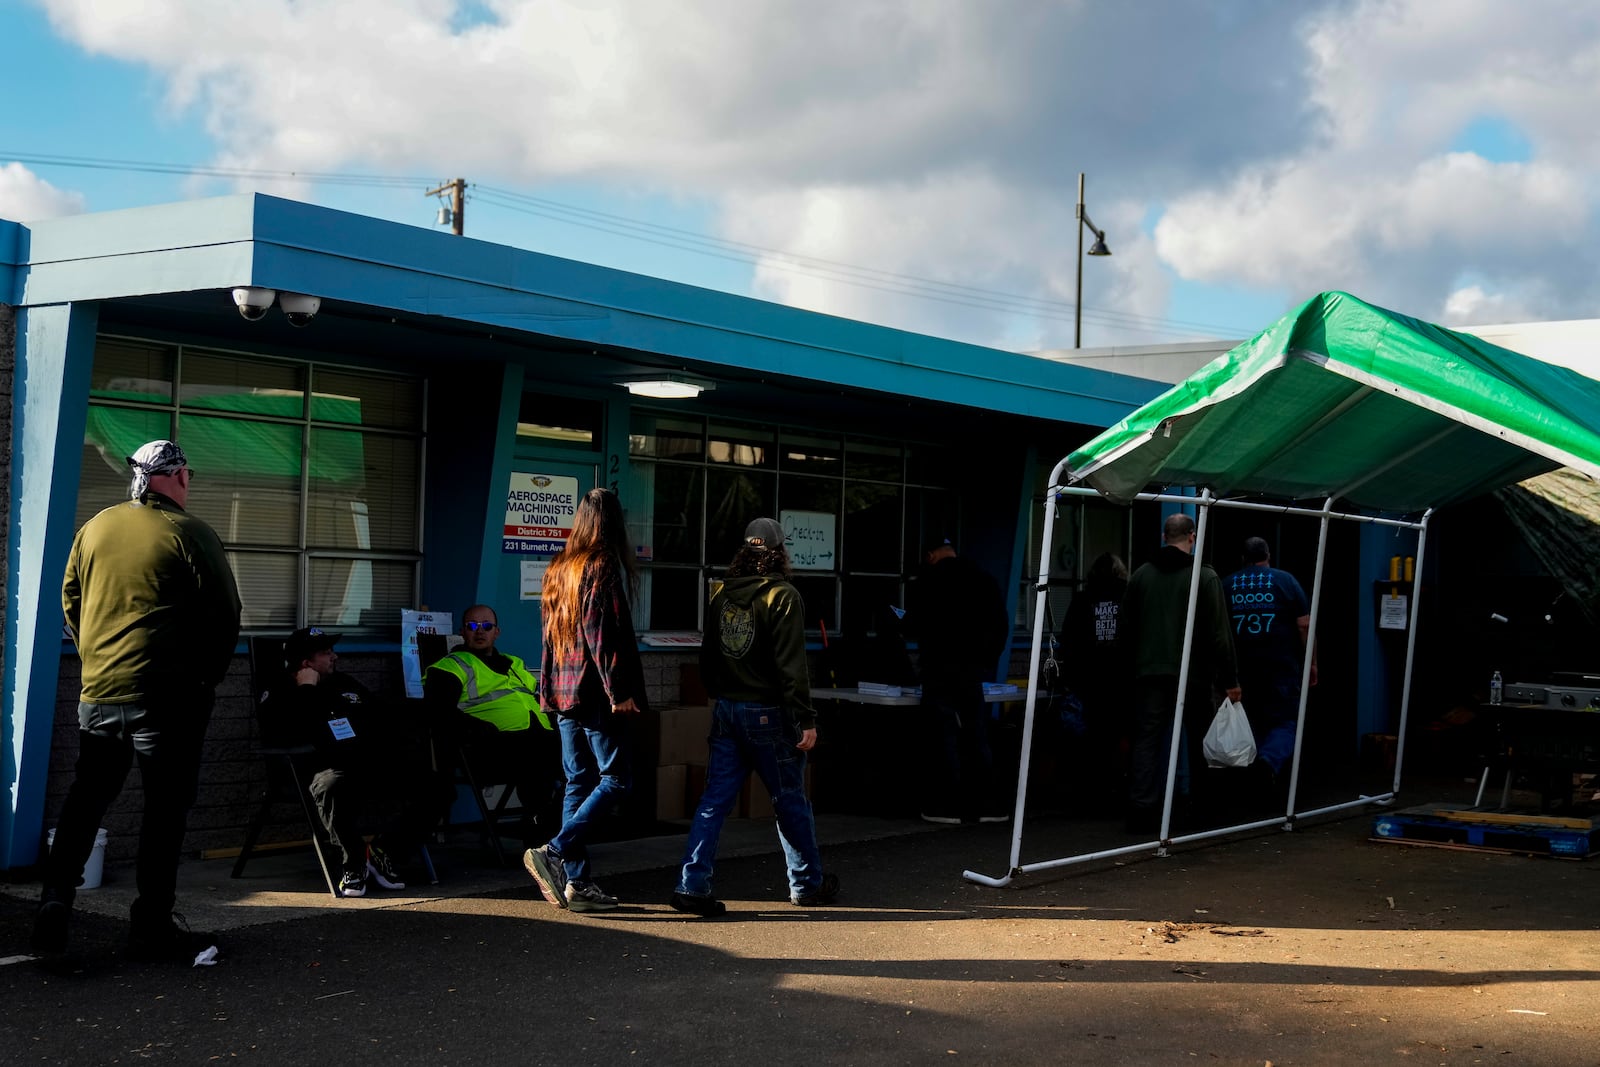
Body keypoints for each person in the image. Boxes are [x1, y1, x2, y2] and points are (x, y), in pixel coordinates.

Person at [33, 440, 241, 962]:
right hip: (168, 699)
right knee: (164, 811)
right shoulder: (190, 533)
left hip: (99, 692)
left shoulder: (95, 527)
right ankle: (151, 926)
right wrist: (205, 681)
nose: (190, 482)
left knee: (87, 798)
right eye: (188, 473)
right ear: (173, 477)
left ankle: (54, 901)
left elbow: (70, 601)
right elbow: (225, 616)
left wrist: (96, 659)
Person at [670, 517, 838, 917]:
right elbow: (791, 666)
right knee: (789, 800)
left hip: (727, 709)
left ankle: (691, 887)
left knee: (714, 801)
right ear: (779, 552)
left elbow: (707, 655)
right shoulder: (783, 596)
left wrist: (720, 693)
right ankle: (806, 885)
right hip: (769, 714)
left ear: (745, 551)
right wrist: (806, 718)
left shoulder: (723, 595)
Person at [523, 488, 648, 913]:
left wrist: (546, 693)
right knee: (616, 780)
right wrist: (620, 692)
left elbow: (549, 639)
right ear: (613, 523)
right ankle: (555, 852)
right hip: (596, 694)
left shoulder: (559, 567)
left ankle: (577, 883)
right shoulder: (601, 564)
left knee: (578, 781)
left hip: (563, 692)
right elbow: (601, 635)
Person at [260, 628, 439, 897]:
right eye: (326, 652)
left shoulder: (344, 683)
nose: (335, 656)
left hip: (368, 764)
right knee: (333, 786)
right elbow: (286, 732)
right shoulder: (283, 690)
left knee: (437, 786)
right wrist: (307, 689)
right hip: (322, 769)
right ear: (306, 662)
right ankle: (353, 865)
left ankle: (384, 852)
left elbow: (383, 716)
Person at [1119, 513, 1239, 833]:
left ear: (1163, 536)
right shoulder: (1204, 576)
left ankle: (1141, 808)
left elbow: (1125, 629)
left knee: (1148, 740)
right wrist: (1230, 679)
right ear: (1192, 537)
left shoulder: (1141, 576)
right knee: (1198, 738)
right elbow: (1218, 633)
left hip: (1149, 672)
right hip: (1193, 673)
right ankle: (1199, 809)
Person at [424, 605, 560, 854]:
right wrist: (479, 729)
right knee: (540, 764)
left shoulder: (513, 663)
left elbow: (537, 697)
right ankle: (539, 841)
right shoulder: (451, 666)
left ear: (497, 632)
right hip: (487, 751)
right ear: (462, 632)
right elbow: (440, 713)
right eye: (472, 626)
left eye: (486, 626)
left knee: (583, 765)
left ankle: (555, 833)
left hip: (536, 740)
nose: (479, 631)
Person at [902, 535, 1011, 824]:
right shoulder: (983, 579)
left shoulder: (927, 582)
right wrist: (986, 661)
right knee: (977, 734)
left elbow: (911, 625)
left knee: (943, 736)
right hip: (972, 670)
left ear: (930, 555)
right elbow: (1001, 624)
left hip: (938, 667)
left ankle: (947, 805)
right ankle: (988, 804)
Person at [1225, 537, 1316, 790]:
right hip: (1281, 667)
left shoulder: (1228, 584)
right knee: (1287, 721)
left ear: (1243, 558)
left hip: (1243, 669)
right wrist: (1312, 663)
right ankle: (1268, 761)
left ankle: (1254, 770)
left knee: (1251, 719)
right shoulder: (1286, 581)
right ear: (1268, 556)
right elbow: (1304, 625)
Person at [1058, 551, 1130, 810]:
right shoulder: (1129, 596)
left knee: (1090, 740)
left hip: (1088, 680)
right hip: (1121, 679)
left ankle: (1090, 793)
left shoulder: (1081, 599)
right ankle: (1116, 790)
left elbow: (1068, 640)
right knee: (1119, 737)